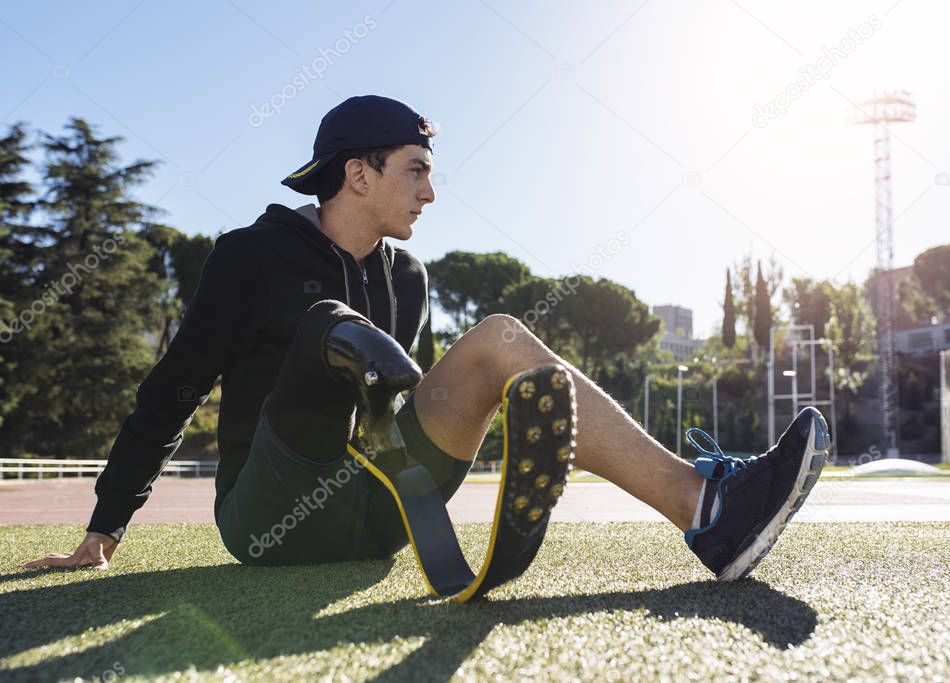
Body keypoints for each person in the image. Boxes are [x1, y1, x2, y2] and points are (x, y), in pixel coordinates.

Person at [22, 95, 829, 583]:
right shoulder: (250, 255)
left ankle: (708, 508)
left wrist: (438, 415)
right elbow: (172, 390)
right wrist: (104, 529)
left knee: (500, 337)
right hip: (267, 517)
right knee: (325, 328)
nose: (431, 191)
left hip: (375, 512)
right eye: (415, 169)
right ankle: (359, 361)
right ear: (357, 174)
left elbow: (415, 395)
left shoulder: (409, 278)